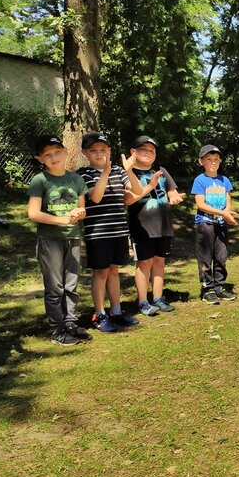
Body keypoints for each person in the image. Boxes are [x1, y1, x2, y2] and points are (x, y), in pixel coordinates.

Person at [77, 132, 145, 333]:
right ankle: (99, 314)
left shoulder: (118, 171)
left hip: (119, 230)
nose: (99, 154)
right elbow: (95, 197)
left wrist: (129, 170)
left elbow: (137, 190)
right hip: (98, 233)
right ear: (84, 153)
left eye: (103, 149)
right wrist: (105, 173)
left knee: (114, 271)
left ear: (109, 151)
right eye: (94, 150)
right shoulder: (83, 174)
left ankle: (116, 310)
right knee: (101, 272)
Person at [26, 135, 89, 345]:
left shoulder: (76, 180)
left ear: (65, 151)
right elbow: (33, 213)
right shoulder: (40, 180)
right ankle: (58, 329)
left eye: (57, 152)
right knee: (55, 287)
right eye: (47, 155)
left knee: (71, 284)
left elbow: (82, 209)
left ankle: (70, 323)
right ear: (40, 159)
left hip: (73, 237)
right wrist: (62, 220)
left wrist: (79, 214)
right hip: (50, 240)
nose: (54, 157)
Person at [126, 135, 185, 315]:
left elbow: (172, 192)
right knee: (144, 263)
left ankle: (158, 298)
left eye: (152, 150)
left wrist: (175, 197)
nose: (148, 153)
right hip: (142, 227)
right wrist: (150, 186)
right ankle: (143, 302)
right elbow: (128, 199)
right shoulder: (129, 173)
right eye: (143, 149)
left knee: (159, 261)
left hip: (164, 225)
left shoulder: (161, 171)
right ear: (133, 152)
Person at [191, 144, 238, 304]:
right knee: (205, 257)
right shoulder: (200, 180)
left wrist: (227, 214)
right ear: (201, 161)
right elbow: (200, 204)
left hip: (221, 224)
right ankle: (207, 289)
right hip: (205, 224)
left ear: (220, 161)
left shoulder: (224, 180)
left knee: (221, 256)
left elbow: (228, 199)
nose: (213, 162)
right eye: (209, 159)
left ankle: (219, 286)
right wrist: (222, 213)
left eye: (216, 159)